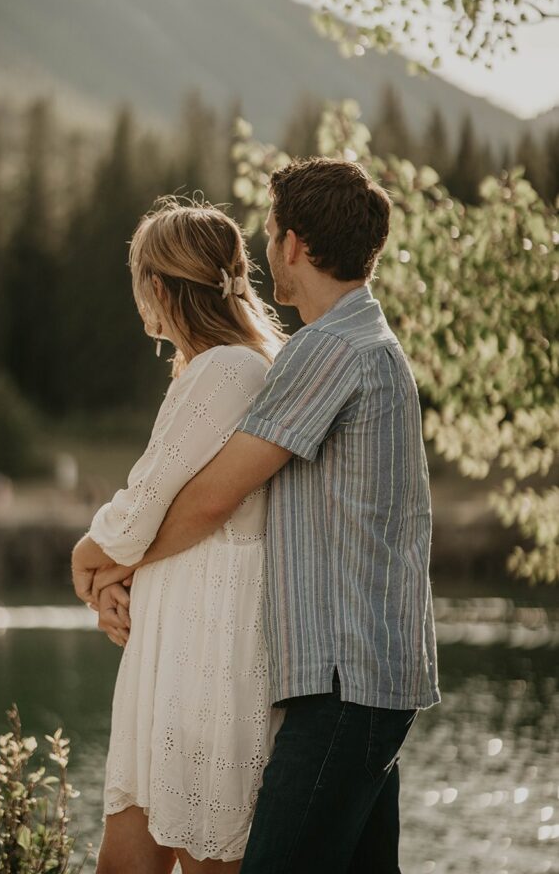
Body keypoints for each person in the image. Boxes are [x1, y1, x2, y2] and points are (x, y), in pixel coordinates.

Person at [85, 157, 441, 874]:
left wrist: (104, 562)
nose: (263, 245)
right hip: (366, 677)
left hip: (343, 684)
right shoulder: (363, 343)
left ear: (293, 245)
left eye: (271, 230)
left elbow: (216, 495)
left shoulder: (330, 349)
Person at [71, 197, 288, 874]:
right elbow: (169, 514)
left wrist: (89, 558)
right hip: (176, 637)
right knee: (126, 859)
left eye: (140, 279)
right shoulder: (229, 365)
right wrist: (121, 576)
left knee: (203, 859)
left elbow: (146, 505)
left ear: (158, 288)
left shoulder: (229, 368)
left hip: (208, 646)